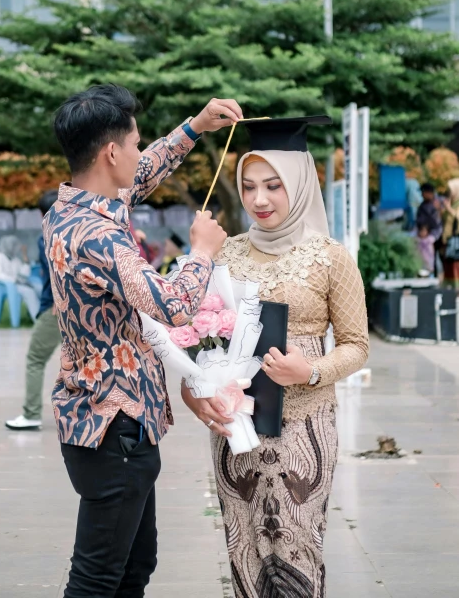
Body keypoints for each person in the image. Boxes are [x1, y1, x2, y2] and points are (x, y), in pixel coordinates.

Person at [43, 84, 242, 598]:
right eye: (134, 142)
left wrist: (194, 127)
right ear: (111, 153)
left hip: (106, 421)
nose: (139, 150)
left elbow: (143, 172)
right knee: (98, 579)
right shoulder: (99, 235)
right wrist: (201, 251)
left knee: (134, 566)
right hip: (115, 427)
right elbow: (174, 304)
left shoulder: (71, 209)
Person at [182, 116, 369, 598]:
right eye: (248, 186)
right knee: (243, 548)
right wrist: (194, 390)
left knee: (298, 548)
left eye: (273, 186)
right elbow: (199, 336)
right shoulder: (226, 253)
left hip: (304, 431)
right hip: (236, 430)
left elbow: (357, 344)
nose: (259, 200)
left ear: (301, 183)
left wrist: (310, 371)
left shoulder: (332, 257)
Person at [5, 190, 61, 431]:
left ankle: (31, 414)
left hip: (56, 309)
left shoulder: (48, 236)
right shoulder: (78, 231)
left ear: (42, 214)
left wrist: (59, 302)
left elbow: (59, 270)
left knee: (35, 360)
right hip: (82, 308)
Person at [0, 235, 40, 322]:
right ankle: (38, 318)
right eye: (13, 246)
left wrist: (25, 256)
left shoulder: (15, 259)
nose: (15, 248)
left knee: (39, 288)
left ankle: (46, 315)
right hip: (9, 286)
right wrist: (13, 279)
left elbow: (24, 274)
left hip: (20, 283)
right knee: (30, 292)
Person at [440, 178, 459, 288]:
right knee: (449, 268)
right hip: (449, 242)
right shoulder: (452, 204)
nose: (448, 194)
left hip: (456, 242)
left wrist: (449, 209)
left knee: (456, 268)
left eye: (450, 191)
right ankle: (451, 291)